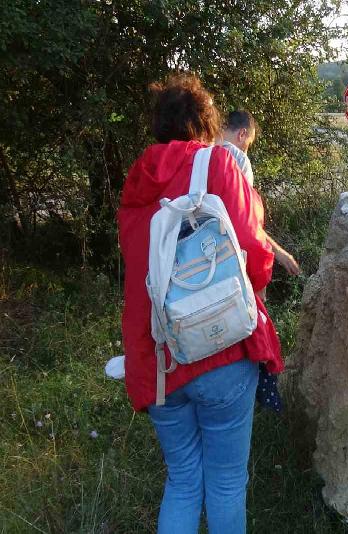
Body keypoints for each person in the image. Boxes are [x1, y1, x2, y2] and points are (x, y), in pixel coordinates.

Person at [117, 73, 282, 534]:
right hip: (222, 348)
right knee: (227, 482)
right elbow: (256, 251)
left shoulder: (135, 181)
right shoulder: (218, 165)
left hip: (160, 360)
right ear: (205, 123)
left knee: (184, 480)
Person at [218, 110, 301, 276]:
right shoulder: (238, 160)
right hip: (225, 259)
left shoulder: (199, 151)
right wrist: (272, 259)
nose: (246, 150)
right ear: (242, 134)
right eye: (248, 144)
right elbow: (245, 223)